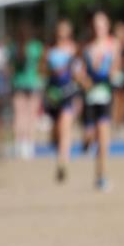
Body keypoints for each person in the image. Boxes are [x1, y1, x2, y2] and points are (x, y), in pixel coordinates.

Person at [77, 11, 121, 191]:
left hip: (105, 96)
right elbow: (78, 71)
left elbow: (116, 67)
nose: (99, 29)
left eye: (102, 25)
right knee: (90, 136)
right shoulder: (86, 48)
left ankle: (101, 176)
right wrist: (83, 80)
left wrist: (114, 74)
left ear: (107, 26)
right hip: (89, 98)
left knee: (104, 140)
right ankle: (86, 142)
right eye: (96, 26)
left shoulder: (113, 45)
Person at [43, 19, 80, 184]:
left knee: (65, 127)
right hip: (53, 93)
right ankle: (59, 150)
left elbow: (79, 69)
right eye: (60, 30)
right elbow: (42, 69)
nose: (62, 33)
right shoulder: (49, 50)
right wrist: (51, 70)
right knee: (56, 130)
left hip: (68, 92)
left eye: (65, 30)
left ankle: (62, 162)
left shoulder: (73, 49)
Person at [8, 20, 45, 159]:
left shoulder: (13, 47)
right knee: (31, 115)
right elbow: (42, 64)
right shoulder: (36, 47)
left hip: (18, 83)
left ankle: (19, 144)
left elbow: (10, 67)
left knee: (19, 115)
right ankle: (29, 144)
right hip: (33, 82)